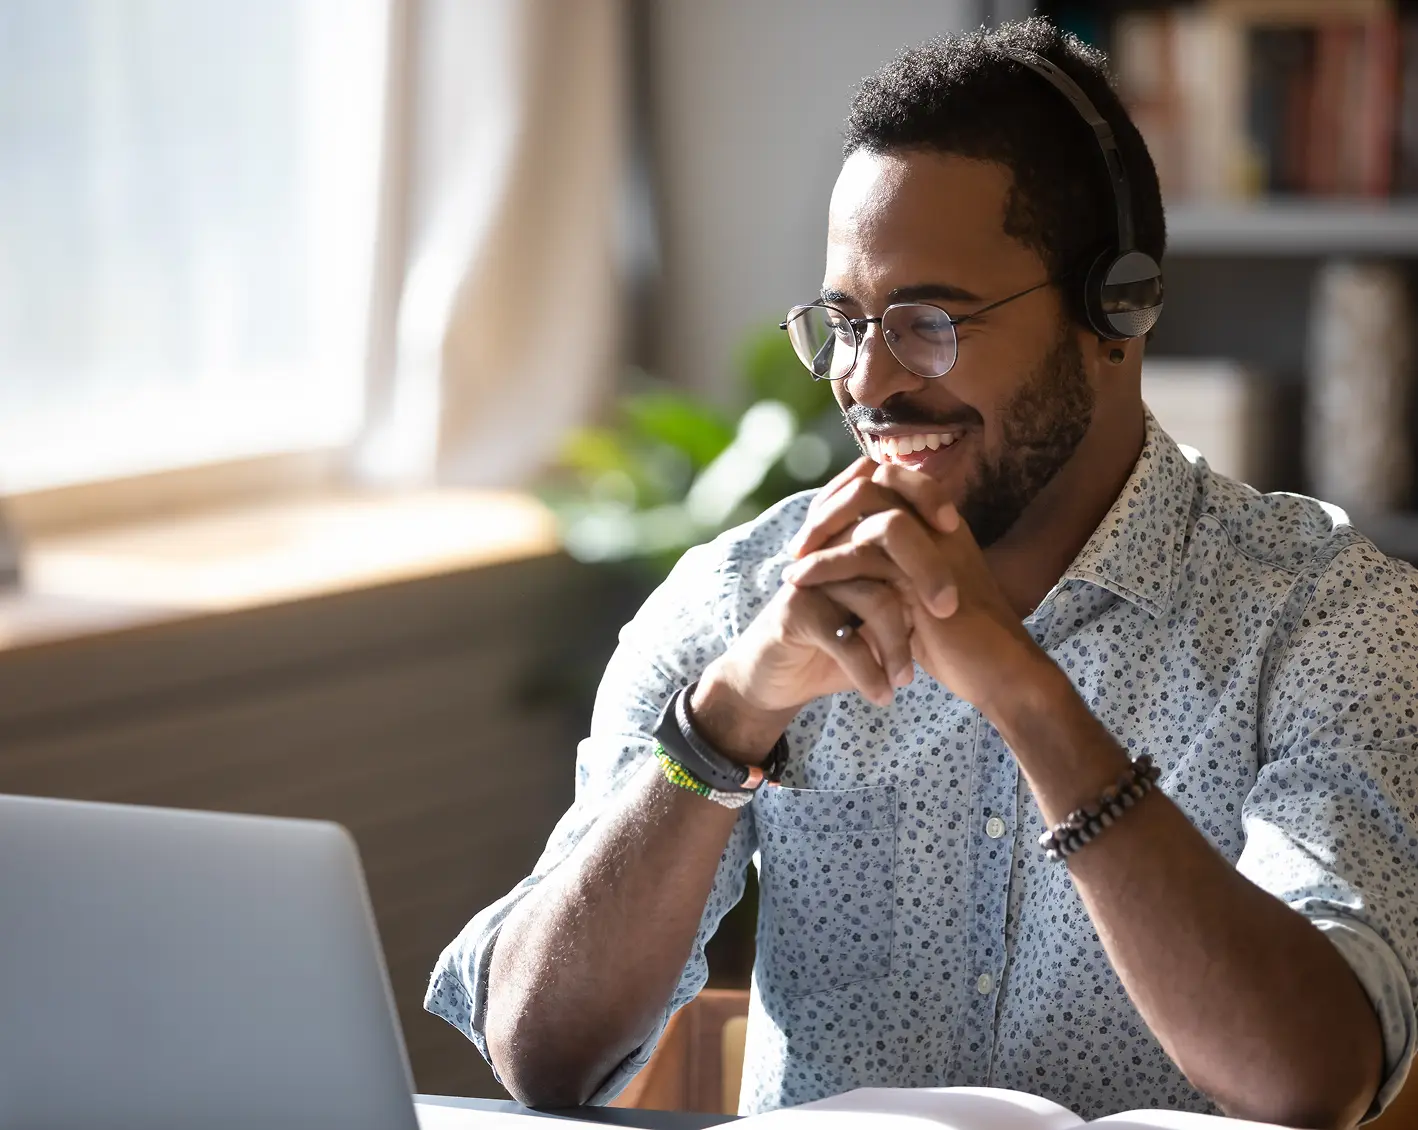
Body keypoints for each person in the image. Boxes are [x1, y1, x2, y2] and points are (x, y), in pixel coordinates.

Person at [426, 19, 1418, 1128]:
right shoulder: (737, 601)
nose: (867, 381)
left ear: (1116, 309)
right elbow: (537, 1053)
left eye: (929, 320)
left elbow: (1313, 1074)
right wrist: (725, 717)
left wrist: (1025, 694)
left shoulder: (1328, 615)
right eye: (844, 321)